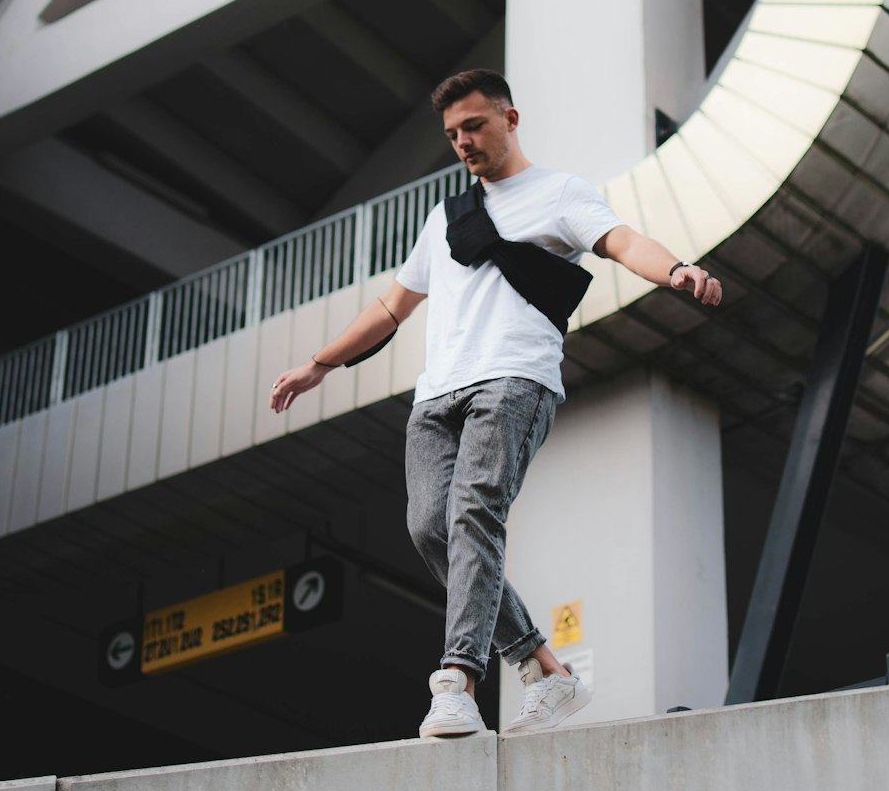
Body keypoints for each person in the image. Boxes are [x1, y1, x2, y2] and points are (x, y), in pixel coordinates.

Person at [270, 70, 721, 738]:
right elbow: (392, 307)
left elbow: (622, 241)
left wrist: (677, 268)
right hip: (437, 393)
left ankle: (457, 682)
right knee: (431, 528)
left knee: (475, 512)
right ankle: (545, 668)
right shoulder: (446, 217)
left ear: (510, 118)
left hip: (514, 378)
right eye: (452, 134)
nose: (463, 142)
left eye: (475, 126)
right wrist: (318, 364)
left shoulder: (558, 193)